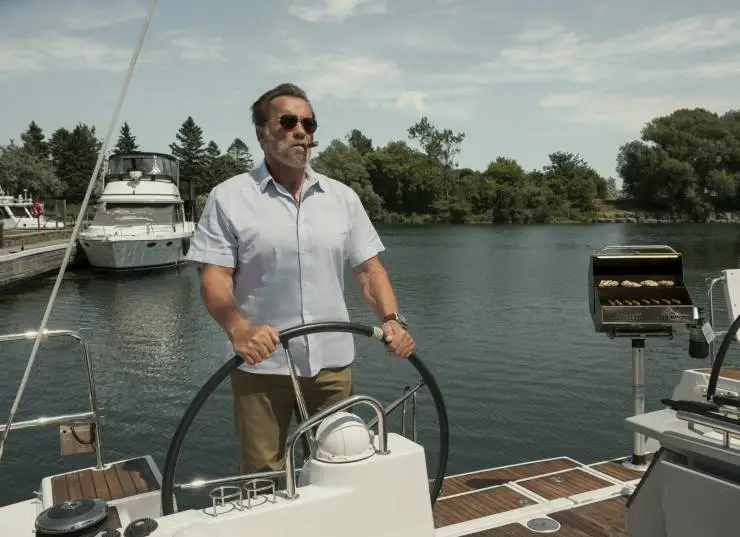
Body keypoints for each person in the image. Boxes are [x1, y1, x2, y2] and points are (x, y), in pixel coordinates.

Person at [185, 82, 415, 475]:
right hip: (261, 366)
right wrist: (238, 329)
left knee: (342, 468)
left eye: (309, 124)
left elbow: (369, 271)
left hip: (332, 365)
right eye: (289, 122)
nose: (301, 132)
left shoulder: (342, 198)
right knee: (263, 477)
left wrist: (392, 320)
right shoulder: (229, 197)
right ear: (262, 133)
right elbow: (215, 277)